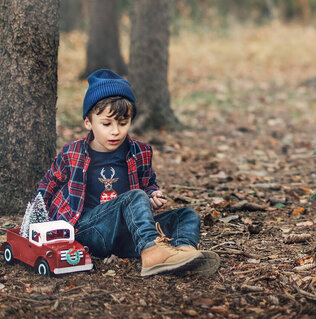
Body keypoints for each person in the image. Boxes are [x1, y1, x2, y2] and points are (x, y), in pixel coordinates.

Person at [35, 69, 219, 277]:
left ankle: (183, 254)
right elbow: (47, 187)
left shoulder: (140, 152)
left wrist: (153, 194)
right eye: (106, 124)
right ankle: (152, 252)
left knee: (187, 215)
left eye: (123, 123)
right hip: (89, 232)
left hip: (129, 234)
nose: (115, 131)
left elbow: (148, 183)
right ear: (88, 122)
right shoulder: (73, 154)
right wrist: (36, 226)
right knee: (134, 197)